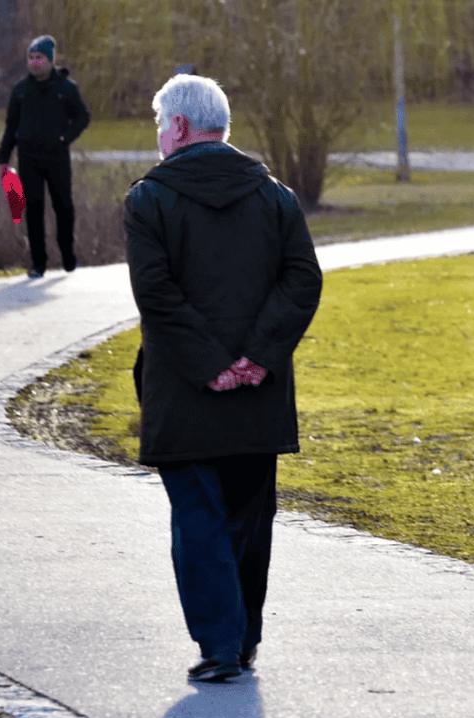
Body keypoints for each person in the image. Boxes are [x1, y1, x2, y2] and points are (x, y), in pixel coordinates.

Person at [123, 74, 322, 683]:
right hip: (260, 395)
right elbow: (302, 280)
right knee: (248, 518)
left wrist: (212, 366)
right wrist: (256, 358)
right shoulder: (276, 197)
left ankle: (221, 644)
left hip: (182, 391)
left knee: (198, 520)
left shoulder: (148, 200)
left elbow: (156, 294)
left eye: (161, 124)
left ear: (180, 126)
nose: (159, 136)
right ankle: (242, 639)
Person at [0, 35, 90, 278]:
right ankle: (38, 263)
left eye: (40, 57)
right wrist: (4, 158)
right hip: (28, 158)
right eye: (31, 57)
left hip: (57, 157)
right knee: (34, 208)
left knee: (63, 206)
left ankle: (67, 253)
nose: (35, 61)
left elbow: (83, 117)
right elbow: (11, 126)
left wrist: (65, 137)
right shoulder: (20, 91)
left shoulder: (66, 88)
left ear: (50, 60)